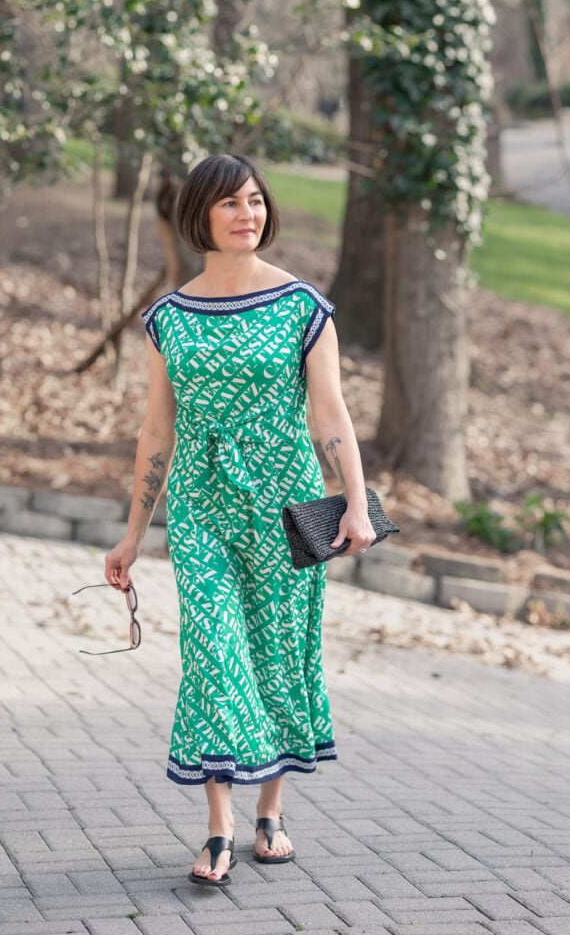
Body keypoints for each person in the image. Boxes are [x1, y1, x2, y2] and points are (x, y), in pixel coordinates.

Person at [105, 153, 375, 887]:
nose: (246, 214)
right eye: (229, 203)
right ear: (200, 214)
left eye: (254, 200)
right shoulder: (169, 318)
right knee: (214, 651)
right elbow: (156, 429)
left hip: (283, 507)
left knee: (276, 653)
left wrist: (355, 500)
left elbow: (330, 412)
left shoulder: (303, 307)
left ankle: (270, 811)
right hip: (200, 507)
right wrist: (133, 533)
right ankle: (219, 827)